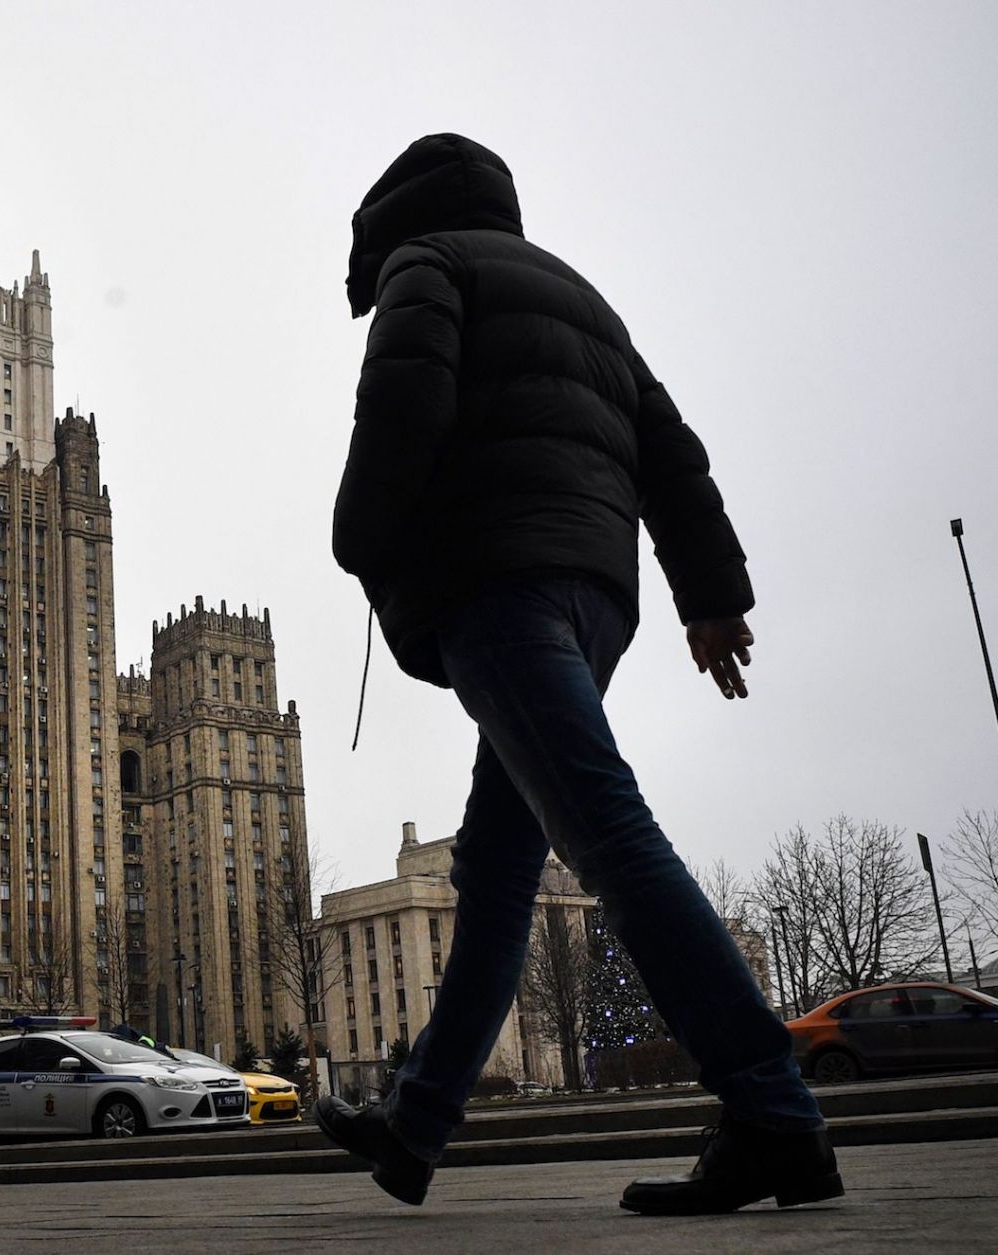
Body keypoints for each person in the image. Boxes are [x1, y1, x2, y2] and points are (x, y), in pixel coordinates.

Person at [314, 133, 841, 1216]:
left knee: (605, 830)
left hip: (498, 583)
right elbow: (669, 448)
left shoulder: (430, 267)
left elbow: (401, 406)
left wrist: (359, 537)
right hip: (596, 596)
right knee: (500, 876)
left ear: (396, 215)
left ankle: (774, 1111)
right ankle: (414, 1128)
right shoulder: (581, 295)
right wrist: (709, 597)